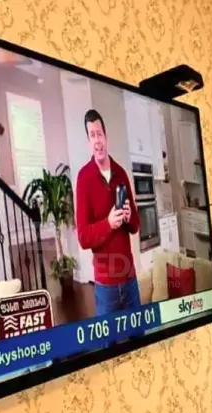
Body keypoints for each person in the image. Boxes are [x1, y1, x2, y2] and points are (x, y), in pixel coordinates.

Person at [75, 109, 141, 316]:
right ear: (88, 141)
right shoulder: (83, 178)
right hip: (106, 287)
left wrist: (129, 217)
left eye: (100, 134)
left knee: (139, 333)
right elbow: (83, 237)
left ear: (106, 137)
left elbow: (135, 226)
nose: (97, 141)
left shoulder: (121, 173)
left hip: (130, 279)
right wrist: (108, 223)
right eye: (92, 135)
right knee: (109, 337)